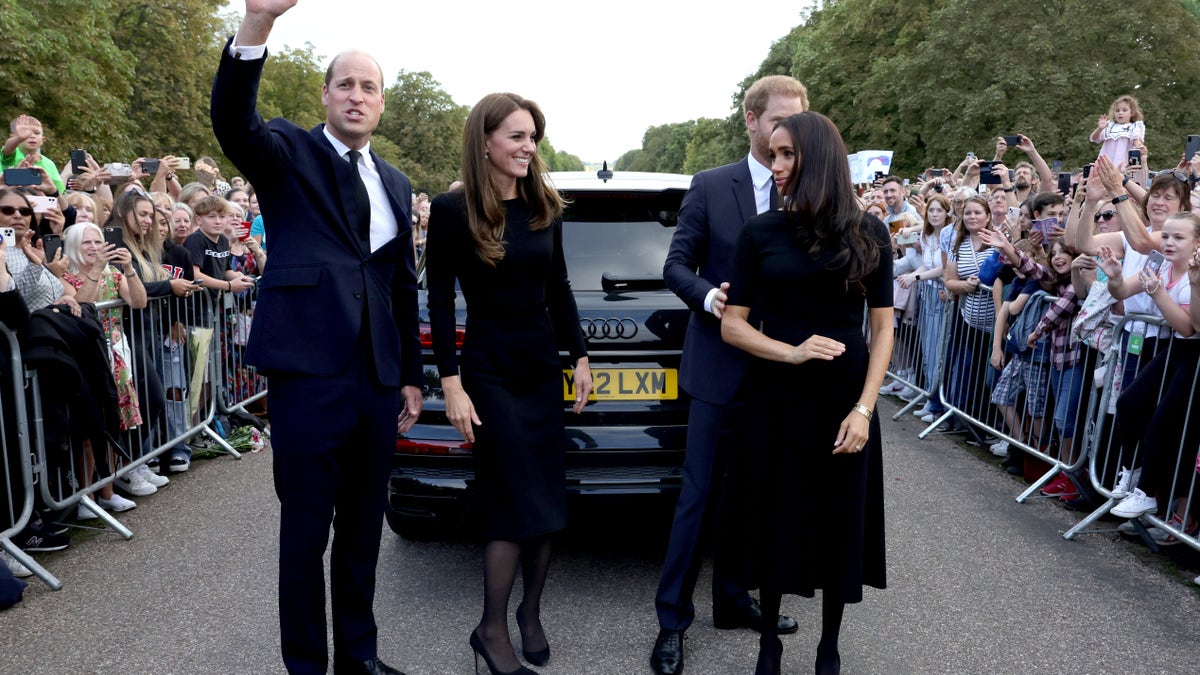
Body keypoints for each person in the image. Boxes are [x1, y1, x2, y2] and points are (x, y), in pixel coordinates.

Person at [210, 2, 425, 673]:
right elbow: (232, 121)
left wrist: (412, 374)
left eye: (369, 87)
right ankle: (307, 666)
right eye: (346, 84)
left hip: (377, 378)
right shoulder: (286, 152)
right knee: (306, 534)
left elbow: (400, 284)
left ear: (381, 103)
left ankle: (359, 656)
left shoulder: (393, 181)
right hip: (309, 375)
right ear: (325, 95)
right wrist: (257, 25)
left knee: (363, 534)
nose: (357, 95)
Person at [425, 92, 592, 675]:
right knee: (507, 500)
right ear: (486, 142)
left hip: (541, 367)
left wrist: (583, 357)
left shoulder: (546, 203)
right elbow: (440, 303)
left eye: (533, 137)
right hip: (489, 372)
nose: (528, 147)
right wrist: (451, 384)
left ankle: (530, 613)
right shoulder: (453, 211)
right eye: (517, 136)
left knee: (546, 497)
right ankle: (490, 629)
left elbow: (560, 287)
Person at [719, 111, 891, 675]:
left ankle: (829, 647)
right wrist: (790, 352)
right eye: (773, 155)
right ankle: (769, 640)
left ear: (816, 158)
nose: (777, 166)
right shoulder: (760, 233)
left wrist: (865, 409)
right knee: (775, 515)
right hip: (776, 396)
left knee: (839, 517)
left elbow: (884, 327)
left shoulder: (870, 232)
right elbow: (734, 324)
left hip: (845, 397)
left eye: (788, 154)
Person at [653, 74, 807, 675]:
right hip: (719, 368)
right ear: (750, 119)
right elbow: (676, 265)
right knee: (698, 497)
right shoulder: (713, 185)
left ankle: (735, 599)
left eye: (794, 124)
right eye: (776, 121)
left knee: (760, 496)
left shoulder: (809, 189)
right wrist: (711, 300)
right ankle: (671, 620)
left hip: (782, 373)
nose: (784, 134)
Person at [1090, 94, 1146, 166]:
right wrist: (1099, 129)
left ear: (1132, 113)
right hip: (1106, 163)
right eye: (1117, 110)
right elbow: (1094, 138)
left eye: (1124, 110)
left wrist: (1139, 147)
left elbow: (1136, 139)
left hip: (1124, 163)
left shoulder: (1134, 126)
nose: (1120, 113)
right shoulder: (1109, 126)